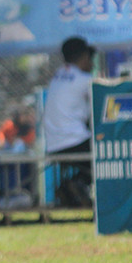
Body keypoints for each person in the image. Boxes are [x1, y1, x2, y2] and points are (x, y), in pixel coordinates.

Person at [42, 36, 96, 207]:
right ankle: (76, 183)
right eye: (91, 59)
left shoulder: (58, 75)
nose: (92, 64)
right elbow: (108, 94)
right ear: (85, 57)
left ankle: (69, 186)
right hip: (74, 142)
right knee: (110, 150)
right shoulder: (83, 79)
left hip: (53, 145)